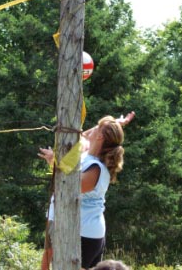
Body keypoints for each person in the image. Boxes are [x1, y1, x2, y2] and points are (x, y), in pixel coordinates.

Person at [38, 112, 135, 270]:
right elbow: (82, 135)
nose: (92, 128)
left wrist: (55, 163)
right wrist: (116, 123)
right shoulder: (85, 153)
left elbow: (68, 187)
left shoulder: (96, 168)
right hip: (74, 228)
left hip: (83, 234)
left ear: (100, 137)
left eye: (97, 127)